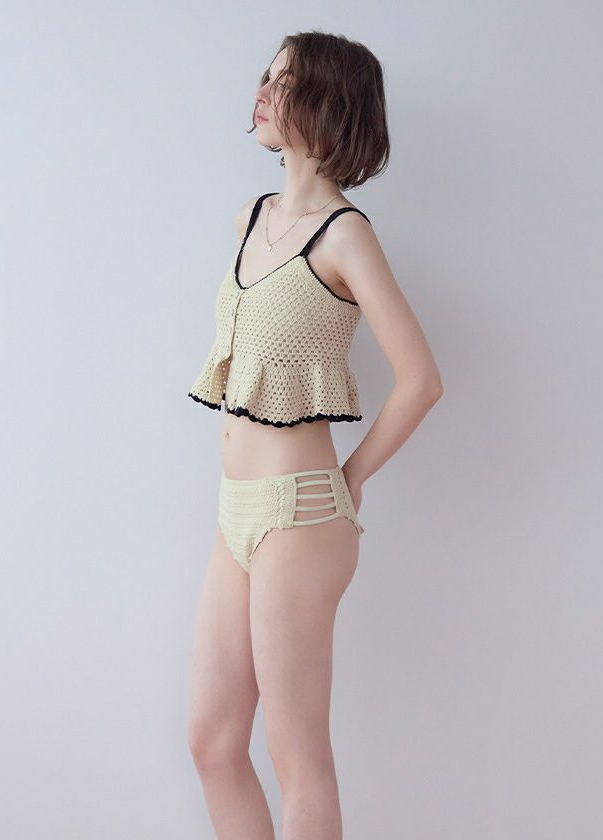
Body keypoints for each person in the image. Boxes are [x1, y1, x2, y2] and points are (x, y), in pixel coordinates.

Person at [186, 31, 443, 840]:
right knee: (212, 743)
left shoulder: (345, 236)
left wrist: (352, 477)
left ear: (329, 103)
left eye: (285, 81)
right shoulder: (251, 218)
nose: (262, 91)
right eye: (265, 77)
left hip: (302, 516)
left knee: (296, 756)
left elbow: (421, 380)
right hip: (234, 512)